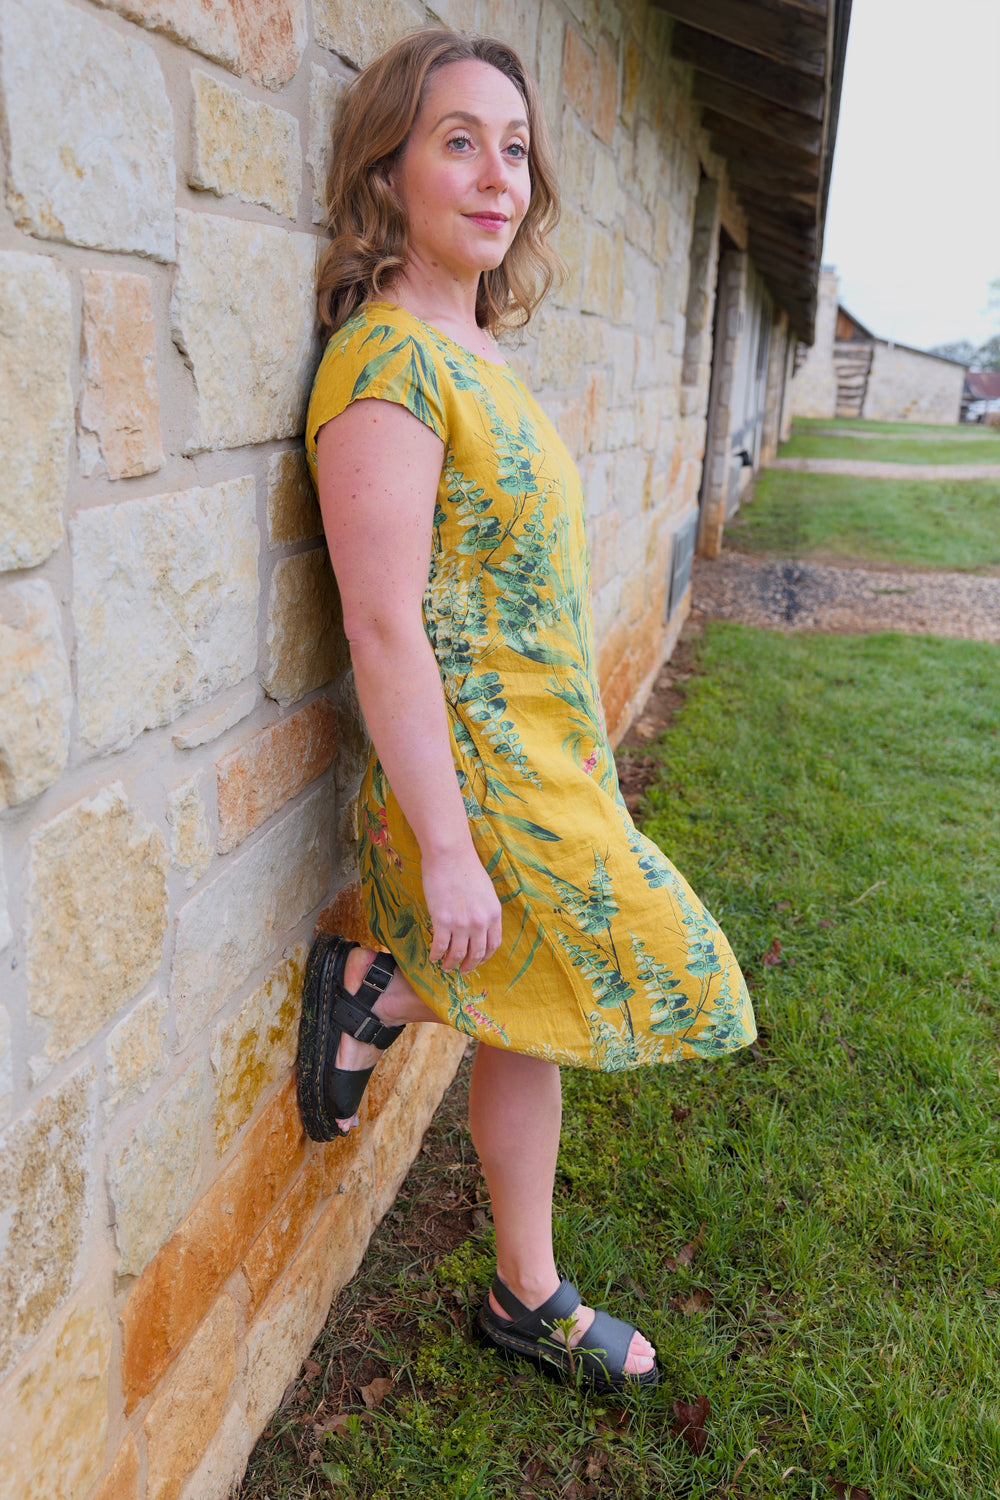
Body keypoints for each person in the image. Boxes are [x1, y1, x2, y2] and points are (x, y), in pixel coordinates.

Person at [297, 28, 757, 1394]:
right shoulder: (387, 365)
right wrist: (443, 847)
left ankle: (524, 1292)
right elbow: (381, 625)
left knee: (532, 1010)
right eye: (458, 141)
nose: (498, 176)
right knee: (664, 961)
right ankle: (382, 980)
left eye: (515, 147)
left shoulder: (475, 344)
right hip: (482, 774)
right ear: (389, 165)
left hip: (549, 753)